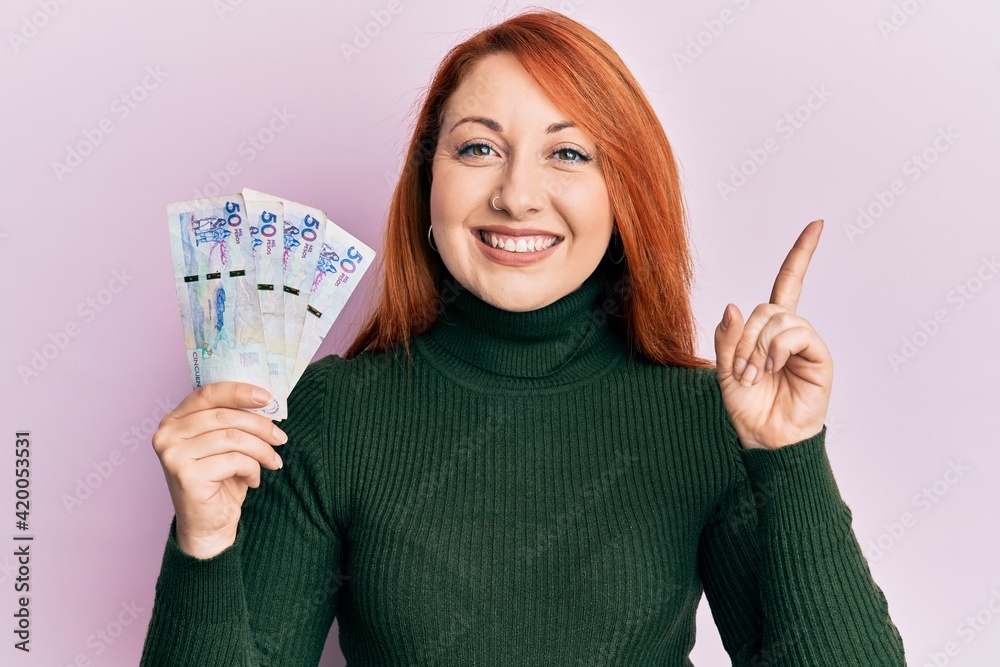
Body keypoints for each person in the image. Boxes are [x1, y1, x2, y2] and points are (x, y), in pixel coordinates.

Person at [139, 9, 906, 666]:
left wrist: (791, 456)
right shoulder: (330, 413)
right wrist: (203, 543)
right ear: (428, 181)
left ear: (625, 191)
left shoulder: (704, 420)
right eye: (478, 148)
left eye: (568, 153)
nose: (515, 194)